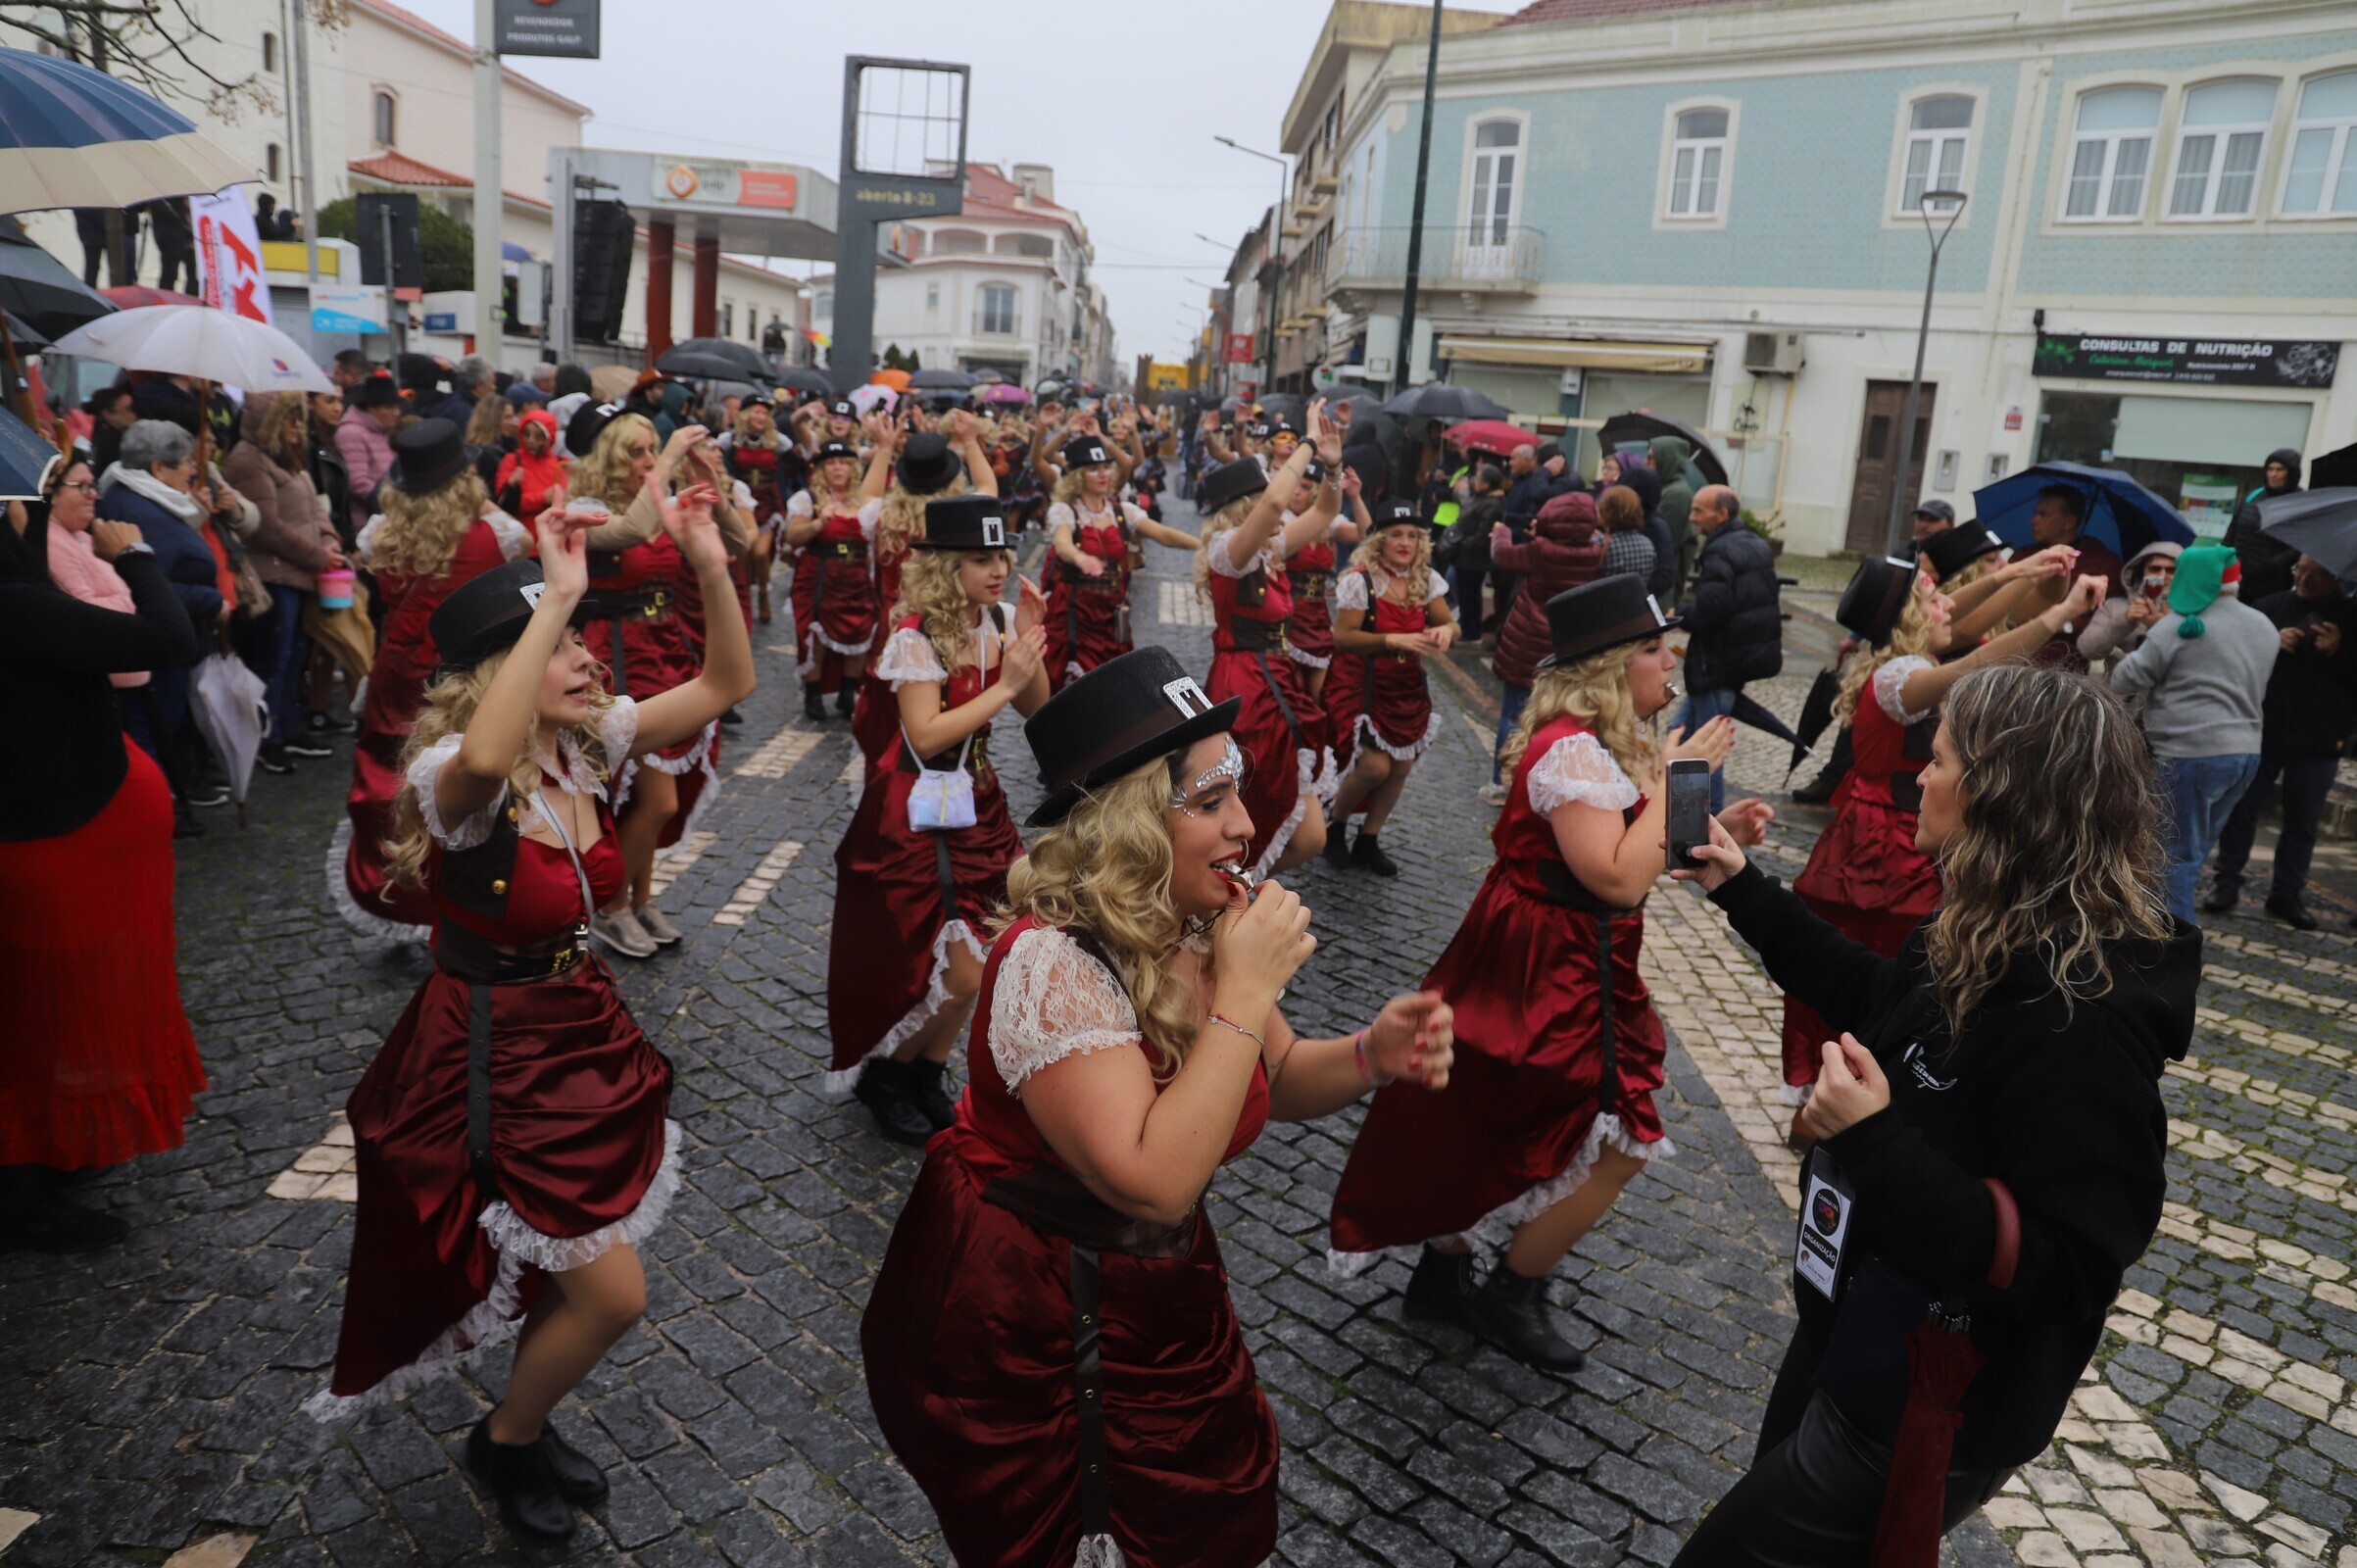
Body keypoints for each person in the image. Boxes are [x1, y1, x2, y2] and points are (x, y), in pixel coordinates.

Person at [860, 644, 1454, 1568]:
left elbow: (1274, 1075)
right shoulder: (1051, 963)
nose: (1244, 826)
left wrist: (1370, 1056)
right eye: (1209, 802)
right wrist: (1243, 995)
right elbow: (1154, 1180)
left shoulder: (1198, 918)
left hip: (1154, 1287)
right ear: (1131, 823)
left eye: (1238, 795)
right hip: (1036, 1305)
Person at [1668, 664, 2195, 1568]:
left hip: (1931, 1394)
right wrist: (1742, 888)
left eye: (1940, 757)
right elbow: (1882, 999)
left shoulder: (2079, 1020)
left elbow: (2068, 1264)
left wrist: (1871, 1138)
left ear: (2001, 794)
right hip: (1853, 1324)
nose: (1919, 773)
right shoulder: (1985, 918)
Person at [310, 496, 751, 1547]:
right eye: (563, 648)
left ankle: (528, 1415)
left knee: (577, 1273)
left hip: (578, 1029)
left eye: (585, 641)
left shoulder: (585, 745)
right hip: (488, 1053)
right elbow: (476, 757)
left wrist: (706, 562)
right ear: (498, 675)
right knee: (612, 1293)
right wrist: (552, 593)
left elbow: (728, 682)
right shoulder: (456, 783)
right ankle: (506, 1439)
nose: (592, 661)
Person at [1328, 576, 1748, 1367]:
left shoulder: (1602, 744)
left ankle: (1445, 1274)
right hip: (1551, 962)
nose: (1671, 664)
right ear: (1610, 667)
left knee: (1496, 1108)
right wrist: (1684, 773)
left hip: (1565, 952)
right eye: (1654, 649)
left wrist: (1715, 826)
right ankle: (1509, 1291)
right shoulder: (1572, 751)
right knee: (1618, 1134)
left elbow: (1654, 854)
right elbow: (1618, 877)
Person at [1778, 558, 2110, 1103]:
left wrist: (2018, 574)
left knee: (1900, 959)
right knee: (1884, 961)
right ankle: (1841, 1087)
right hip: (1880, 849)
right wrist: (2061, 612)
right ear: (1908, 615)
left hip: (1891, 837)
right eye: (1933, 598)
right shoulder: (1899, 675)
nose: (1949, 604)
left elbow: (1968, 619)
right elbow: (1976, 661)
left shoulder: (1902, 658)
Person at [0, 468, 201, 1252]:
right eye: (22, 505)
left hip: (63, 837)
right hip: (52, 848)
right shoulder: (15, 606)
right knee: (45, 1020)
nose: (30, 516)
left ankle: (50, 1153)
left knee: (42, 1015)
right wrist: (137, 556)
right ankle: (24, 1189)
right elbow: (166, 640)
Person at [827, 497, 1049, 1146]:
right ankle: (884, 1076)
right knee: (959, 970)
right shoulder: (913, 637)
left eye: (1000, 556)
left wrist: (1030, 639)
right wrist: (1004, 686)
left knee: (988, 948)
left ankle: (925, 1072)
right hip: (916, 810)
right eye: (980, 559)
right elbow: (924, 737)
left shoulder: (1000, 620)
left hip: (979, 801)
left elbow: (1039, 711)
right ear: (946, 566)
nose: (997, 569)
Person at [339, 419, 533, 943]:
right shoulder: (496, 532)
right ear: (465, 479)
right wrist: (479, 502)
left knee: (389, 781)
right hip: (461, 677)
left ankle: (396, 892)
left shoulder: (378, 533)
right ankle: (465, 896)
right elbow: (523, 540)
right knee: (464, 783)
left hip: (396, 675)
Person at [569, 410, 752, 956]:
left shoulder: (659, 500)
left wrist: (712, 485)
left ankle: (640, 896)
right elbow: (631, 531)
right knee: (658, 799)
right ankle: (609, 907)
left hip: (665, 649)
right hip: (614, 658)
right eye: (636, 452)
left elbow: (738, 545)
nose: (649, 462)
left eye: (652, 450)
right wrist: (670, 459)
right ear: (604, 455)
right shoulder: (583, 508)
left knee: (653, 799)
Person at [1195, 409, 1345, 877]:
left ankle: (1239, 889)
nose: (1276, 505)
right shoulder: (1230, 551)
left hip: (1276, 678)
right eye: (1262, 498)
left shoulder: (1264, 549)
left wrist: (1334, 467)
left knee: (1311, 835)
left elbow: (1324, 511)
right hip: (1245, 683)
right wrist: (1309, 443)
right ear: (1245, 507)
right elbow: (1277, 504)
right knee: (1256, 804)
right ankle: (1226, 895)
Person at [2106, 542, 2277, 924]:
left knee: (2174, 857)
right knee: (2194, 853)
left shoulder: (2178, 627)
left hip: (2188, 753)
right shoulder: (2264, 625)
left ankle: (2171, 950)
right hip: (2245, 755)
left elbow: (2125, 678)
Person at [2203, 554, 2357, 930]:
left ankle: (2286, 892)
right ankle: (2226, 882)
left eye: (2319, 573)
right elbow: (2234, 664)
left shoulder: (2351, 616)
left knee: (2303, 820)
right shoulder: (2268, 608)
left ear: (2338, 578)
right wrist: (2269, 645)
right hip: (2264, 727)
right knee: (2243, 809)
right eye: (2300, 570)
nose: (2306, 579)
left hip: (2321, 734)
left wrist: (2341, 651)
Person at [95, 420, 231, 818]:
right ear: (158, 469)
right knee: (153, 730)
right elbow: (157, 584)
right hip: (158, 646)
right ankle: (155, 810)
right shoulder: (141, 509)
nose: (193, 469)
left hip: (168, 641)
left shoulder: (149, 499)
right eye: (187, 462)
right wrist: (211, 598)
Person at [1321, 497, 1458, 875]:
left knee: (1402, 766)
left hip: (1406, 687)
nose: (1405, 542)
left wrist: (1446, 630)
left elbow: (1452, 625)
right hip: (1362, 684)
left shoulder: (1425, 579)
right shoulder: (1359, 581)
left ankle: (1369, 839)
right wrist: (1390, 640)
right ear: (1379, 539)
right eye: (1396, 534)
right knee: (1375, 767)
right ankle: (1336, 825)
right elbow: (1343, 638)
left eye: (1412, 535)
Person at [223, 391, 347, 772]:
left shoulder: (289, 456)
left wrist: (329, 539)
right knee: (273, 660)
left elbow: (314, 508)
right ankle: (268, 737)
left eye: (299, 418)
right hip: (274, 574)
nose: (298, 425)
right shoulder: (247, 458)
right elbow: (266, 527)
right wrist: (317, 555)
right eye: (290, 419)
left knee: (294, 659)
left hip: (301, 572)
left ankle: (290, 729)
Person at [1040, 433, 1198, 691]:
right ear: (1077, 475)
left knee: (1114, 688)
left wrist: (1203, 545)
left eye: (1105, 467)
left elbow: (1163, 534)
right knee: (1077, 689)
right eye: (1093, 469)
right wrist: (1080, 557)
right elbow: (1063, 543)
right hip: (1075, 618)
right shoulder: (1064, 511)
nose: (1103, 474)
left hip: (1111, 617)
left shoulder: (1122, 511)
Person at [1479, 489, 1606, 805]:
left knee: (1513, 713)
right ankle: (1540, 784)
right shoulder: (1596, 550)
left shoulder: (1540, 550)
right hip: (1567, 642)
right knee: (1556, 716)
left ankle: (1501, 783)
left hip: (1528, 642)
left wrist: (1501, 532)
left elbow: (1503, 556)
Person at [1676, 484, 1782, 811]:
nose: (1692, 517)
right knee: (1679, 736)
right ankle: (1681, 817)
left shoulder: (1720, 549)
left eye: (1699, 511)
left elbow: (1711, 611)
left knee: (1704, 753)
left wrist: (1679, 615)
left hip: (1715, 665)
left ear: (1721, 514)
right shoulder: (1753, 542)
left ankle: (1707, 826)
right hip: (1735, 662)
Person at [784, 439, 878, 723]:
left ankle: (848, 694)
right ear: (821, 469)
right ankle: (813, 696)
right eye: (832, 463)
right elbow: (792, 537)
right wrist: (817, 524)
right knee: (816, 635)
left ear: (852, 468)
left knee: (860, 634)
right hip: (821, 578)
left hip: (857, 578)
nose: (838, 468)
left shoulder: (865, 501)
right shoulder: (808, 499)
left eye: (843, 463)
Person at [2021, 486, 2123, 670]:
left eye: (2043, 515)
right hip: (2017, 659)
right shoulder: (2023, 557)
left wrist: (2065, 623)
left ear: (2069, 522)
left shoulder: (2102, 564)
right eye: (2035, 513)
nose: (2033, 520)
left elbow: (2108, 618)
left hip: (2065, 668)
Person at [718, 400, 786, 624]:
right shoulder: (731, 441)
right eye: (756, 412)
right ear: (746, 414)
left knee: (760, 553)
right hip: (742, 504)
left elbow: (799, 457)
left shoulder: (777, 441)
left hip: (767, 506)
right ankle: (744, 599)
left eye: (765, 413)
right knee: (744, 556)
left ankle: (764, 595)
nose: (761, 417)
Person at [2075, 541, 2182, 665]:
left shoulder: (2191, 612)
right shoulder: (2114, 606)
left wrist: (2162, 628)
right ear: (2141, 572)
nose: (2162, 575)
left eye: (2171, 570)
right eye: (2154, 569)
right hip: (2116, 683)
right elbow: (2087, 649)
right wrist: (2125, 621)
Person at [2223, 448, 2303, 604]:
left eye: (2280, 469)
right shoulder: (2253, 496)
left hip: (2272, 584)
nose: (2273, 474)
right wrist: (2224, 556)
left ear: (2291, 473)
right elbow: (2233, 530)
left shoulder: (2300, 502)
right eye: (2270, 469)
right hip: (2238, 578)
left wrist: (2274, 564)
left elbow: (2302, 543)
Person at [1440, 462, 1505, 642]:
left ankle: (1471, 633)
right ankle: (1467, 628)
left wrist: (1463, 544)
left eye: (1477, 479)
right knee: (1465, 594)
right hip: (1464, 558)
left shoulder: (1492, 505)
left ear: (1486, 484)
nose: (1473, 482)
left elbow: (1483, 534)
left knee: (1470, 596)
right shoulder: (1481, 499)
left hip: (1473, 559)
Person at [336, 373, 404, 541]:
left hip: (389, 515)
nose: (396, 413)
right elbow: (357, 482)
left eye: (397, 407)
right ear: (370, 407)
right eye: (389, 407)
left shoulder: (384, 430)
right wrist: (393, 499)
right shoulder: (351, 433)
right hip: (367, 522)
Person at [493, 409, 565, 523]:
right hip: (522, 531)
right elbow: (502, 502)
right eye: (526, 434)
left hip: (554, 531)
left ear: (549, 437)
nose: (531, 440)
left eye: (538, 436)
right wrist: (542, 498)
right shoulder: (512, 460)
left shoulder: (561, 463)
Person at [1651, 434, 1698, 598]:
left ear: (1666, 459)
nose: (1645, 462)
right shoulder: (1666, 488)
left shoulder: (1676, 494)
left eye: (1651, 457)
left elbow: (1664, 543)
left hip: (1664, 587)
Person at [426, 355, 495, 429]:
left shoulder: (454, 400)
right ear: (479, 385)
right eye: (492, 382)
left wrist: (450, 371)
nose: (494, 387)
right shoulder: (467, 414)